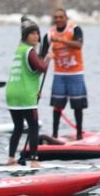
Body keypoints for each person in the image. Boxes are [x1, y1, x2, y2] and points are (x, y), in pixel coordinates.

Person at [5, 16, 50, 168]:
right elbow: (42, 68)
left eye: (37, 33)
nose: (36, 36)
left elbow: (31, 72)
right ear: (25, 36)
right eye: (32, 33)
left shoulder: (19, 50)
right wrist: (49, 57)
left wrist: (35, 90)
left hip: (12, 94)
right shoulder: (29, 51)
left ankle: (11, 159)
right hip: (24, 95)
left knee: (18, 127)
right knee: (33, 126)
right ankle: (34, 160)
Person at [41, 8, 87, 140]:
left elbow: (79, 44)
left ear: (66, 18)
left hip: (75, 73)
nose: (58, 20)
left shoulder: (74, 29)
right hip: (60, 74)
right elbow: (42, 54)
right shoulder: (50, 34)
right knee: (57, 105)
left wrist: (61, 40)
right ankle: (55, 134)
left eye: (61, 17)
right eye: (56, 17)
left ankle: (79, 134)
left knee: (77, 105)